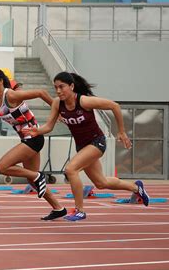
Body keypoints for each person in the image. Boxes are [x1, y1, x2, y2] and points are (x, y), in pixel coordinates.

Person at [24, 72, 150, 221]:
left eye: (61, 87)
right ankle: (137, 188)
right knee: (101, 182)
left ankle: (80, 210)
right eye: (56, 87)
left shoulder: (84, 101)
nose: (58, 91)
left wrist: (121, 131)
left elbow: (114, 106)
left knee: (71, 170)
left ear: (71, 86)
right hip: (82, 146)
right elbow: (49, 126)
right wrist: (38, 130)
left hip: (97, 142)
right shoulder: (58, 103)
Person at [0, 68, 67, 220]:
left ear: (0, 81)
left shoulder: (11, 95)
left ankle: (38, 176)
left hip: (34, 137)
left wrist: (58, 111)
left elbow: (41, 93)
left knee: (2, 167)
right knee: (33, 182)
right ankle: (58, 208)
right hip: (26, 139)